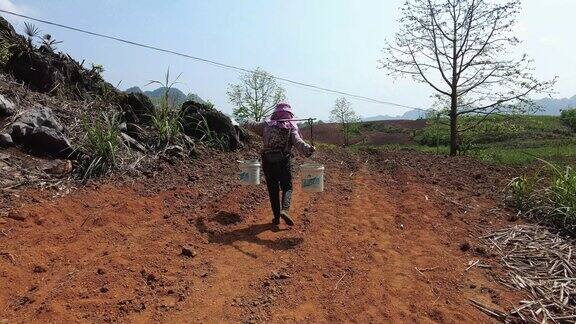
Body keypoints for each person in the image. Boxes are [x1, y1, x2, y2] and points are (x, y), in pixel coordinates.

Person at [245, 103, 315, 226]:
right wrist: (308, 149)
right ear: (289, 114)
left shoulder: (266, 125)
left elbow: (252, 125)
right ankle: (285, 210)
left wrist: (247, 120)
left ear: (275, 113)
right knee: (287, 187)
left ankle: (276, 218)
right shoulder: (290, 127)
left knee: (273, 190)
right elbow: (298, 142)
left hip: (267, 161)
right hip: (283, 160)